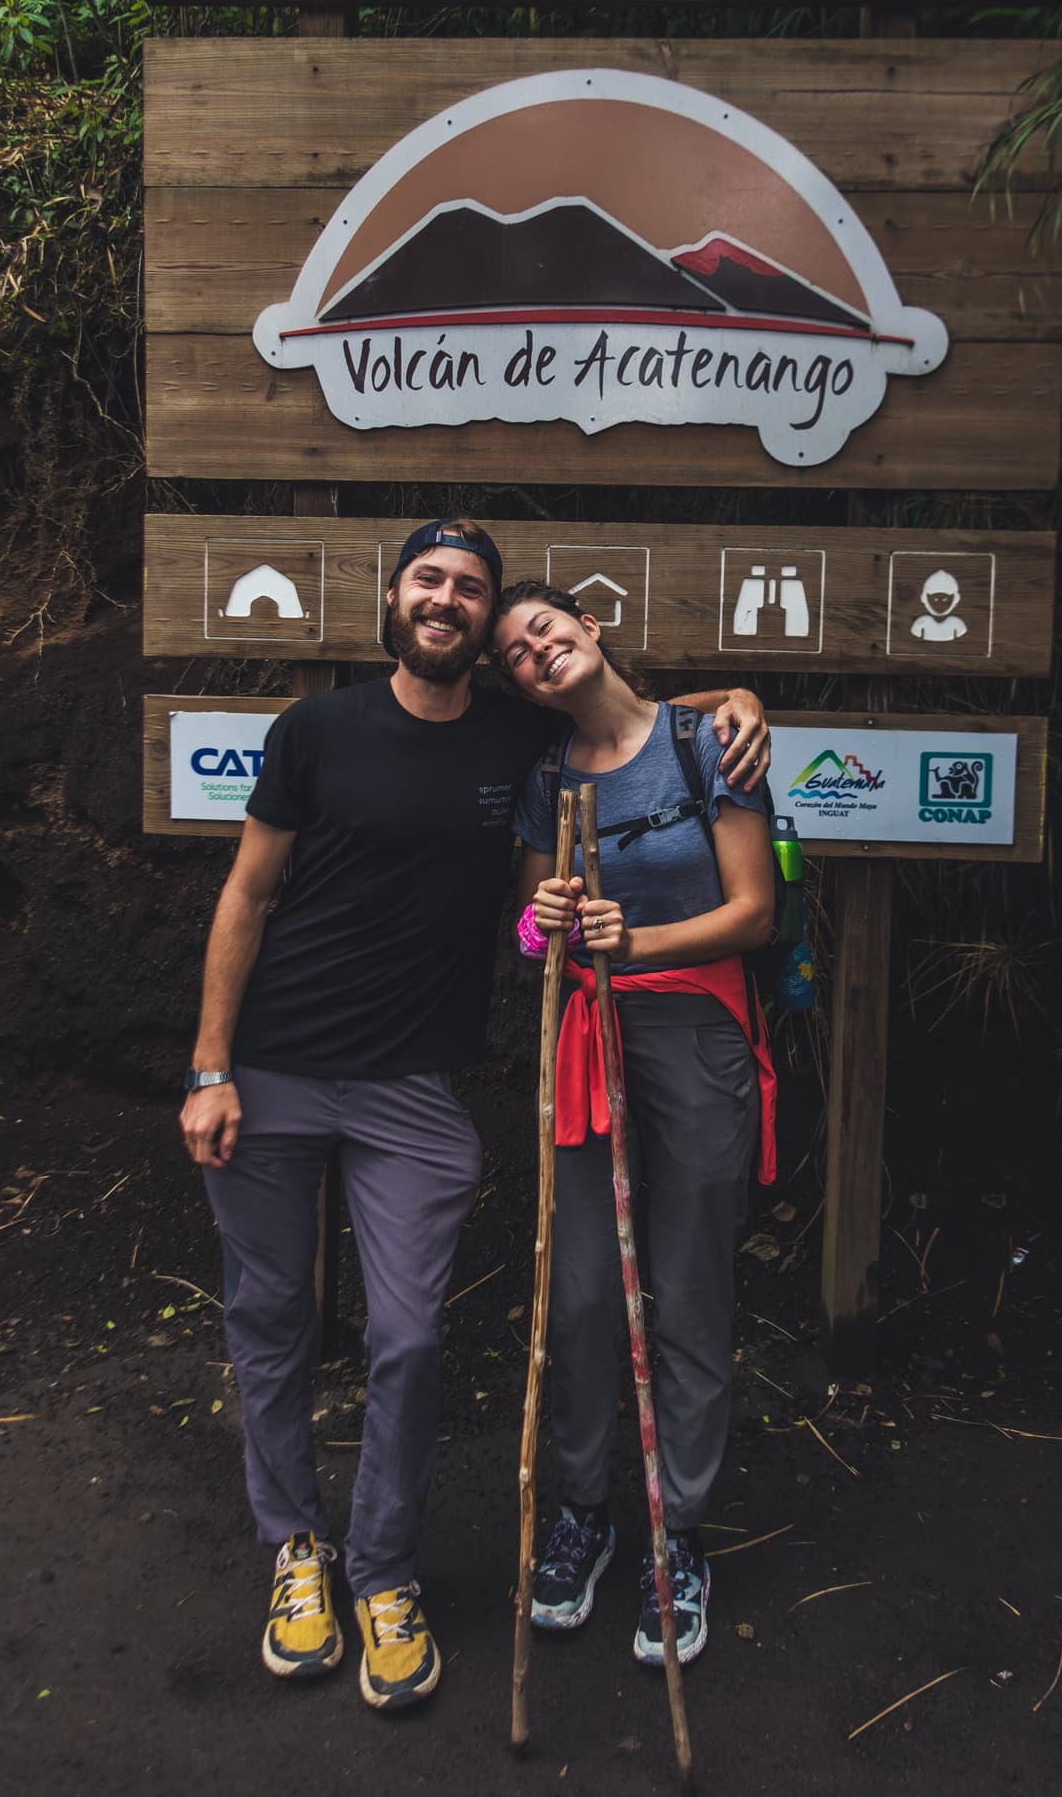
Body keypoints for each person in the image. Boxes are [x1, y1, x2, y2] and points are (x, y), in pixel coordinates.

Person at [177, 518, 770, 1713]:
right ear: (395, 597)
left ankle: (430, 1563)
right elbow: (252, 890)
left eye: (480, 594)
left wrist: (741, 694)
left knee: (445, 1331)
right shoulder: (342, 732)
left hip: (470, 1072)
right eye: (432, 581)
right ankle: (318, 1546)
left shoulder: (579, 738)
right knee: (293, 1316)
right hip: (310, 1061)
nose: (453, 603)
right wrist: (208, 1066)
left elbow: (644, 720)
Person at [490, 579, 779, 1669]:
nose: (536, 652)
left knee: (689, 1283)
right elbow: (530, 933)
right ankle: (584, 1513)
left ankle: (679, 1532)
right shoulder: (546, 779)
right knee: (577, 1289)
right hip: (585, 1038)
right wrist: (546, 923)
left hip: (696, 1031)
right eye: (516, 654)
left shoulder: (710, 745)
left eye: (545, 628)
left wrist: (634, 943)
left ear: (591, 624)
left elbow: (753, 912)